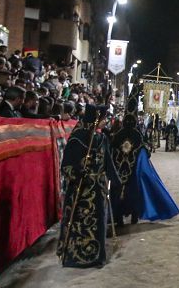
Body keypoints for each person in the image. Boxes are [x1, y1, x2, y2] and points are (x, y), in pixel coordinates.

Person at [57, 104, 119, 268]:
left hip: (97, 189)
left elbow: (108, 163)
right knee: (78, 222)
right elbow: (66, 166)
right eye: (103, 118)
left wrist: (116, 181)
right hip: (80, 189)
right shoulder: (77, 138)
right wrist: (79, 174)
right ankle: (74, 256)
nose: (105, 122)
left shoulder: (102, 138)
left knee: (97, 221)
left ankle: (95, 256)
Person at [111, 113, 145, 226]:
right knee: (133, 193)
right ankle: (134, 217)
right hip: (133, 170)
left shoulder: (118, 134)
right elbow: (145, 152)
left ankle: (119, 218)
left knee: (118, 192)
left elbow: (112, 149)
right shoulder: (138, 135)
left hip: (119, 170)